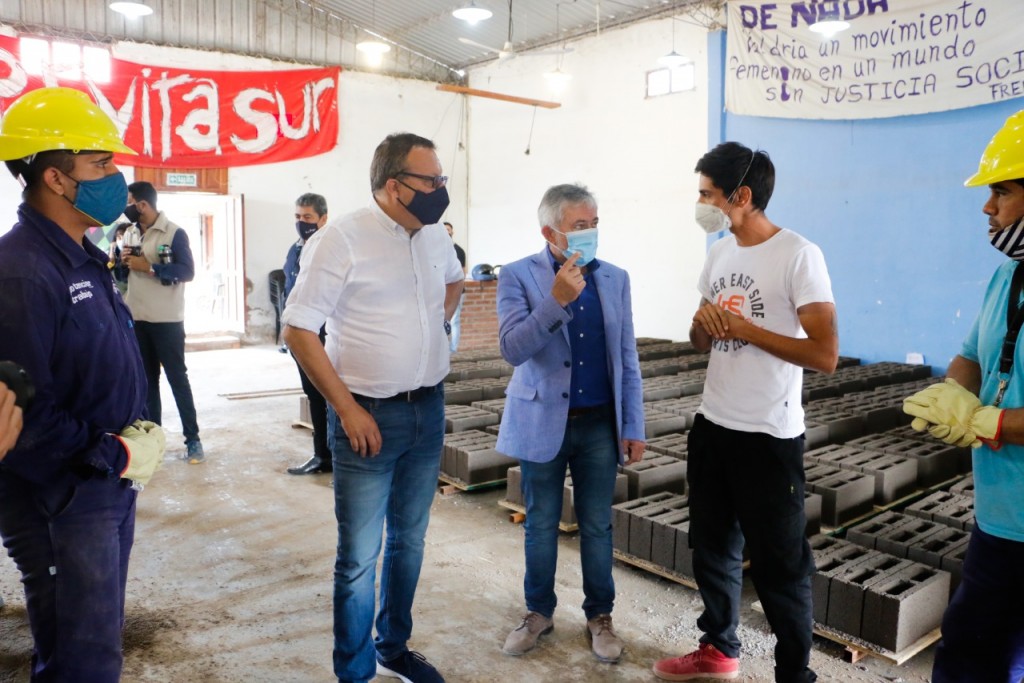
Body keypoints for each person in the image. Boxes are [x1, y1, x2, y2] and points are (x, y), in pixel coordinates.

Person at [652, 142, 838, 683]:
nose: (701, 204)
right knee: (711, 547)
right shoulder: (719, 254)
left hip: (768, 437)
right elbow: (701, 340)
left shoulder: (799, 255)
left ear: (742, 196)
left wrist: (744, 328)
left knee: (781, 565)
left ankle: (793, 673)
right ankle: (718, 647)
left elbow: (825, 354)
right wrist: (702, 325)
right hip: (714, 424)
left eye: (708, 194)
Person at [282, 132, 464, 683]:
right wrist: (347, 409)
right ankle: (355, 670)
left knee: (410, 541)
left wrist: (431, 329)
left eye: (442, 179)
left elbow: (454, 283)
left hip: (427, 410)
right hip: (368, 417)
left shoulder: (434, 237)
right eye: (431, 180)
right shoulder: (340, 240)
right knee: (359, 557)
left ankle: (393, 647)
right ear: (394, 186)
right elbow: (299, 329)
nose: (440, 189)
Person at [0, 87, 165, 682]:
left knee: (94, 644)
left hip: (101, 482)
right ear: (56, 177)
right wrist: (114, 452)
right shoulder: (22, 272)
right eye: (101, 164)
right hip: (61, 493)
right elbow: (22, 416)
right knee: (82, 661)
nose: (117, 179)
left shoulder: (82, 254)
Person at [496, 183, 645, 663]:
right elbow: (513, 348)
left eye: (594, 224)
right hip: (541, 418)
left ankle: (600, 616)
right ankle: (538, 612)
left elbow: (627, 357)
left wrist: (634, 424)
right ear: (550, 232)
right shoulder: (518, 276)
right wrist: (555, 300)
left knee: (597, 525)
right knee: (540, 523)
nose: (590, 233)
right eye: (580, 226)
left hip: (599, 424)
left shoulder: (615, 278)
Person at [902, 110, 1024, 683]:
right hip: (998, 520)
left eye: (1002, 192)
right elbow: (973, 354)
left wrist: (991, 423)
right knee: (970, 658)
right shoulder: (1007, 277)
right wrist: (953, 395)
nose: (987, 207)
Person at [123, 180, 205, 464]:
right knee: (147, 383)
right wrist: (122, 262)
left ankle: (193, 440)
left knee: (177, 379)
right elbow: (124, 276)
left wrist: (150, 267)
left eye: (129, 203)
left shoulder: (174, 233)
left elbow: (187, 271)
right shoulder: (131, 232)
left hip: (167, 320)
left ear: (142, 204)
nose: (126, 208)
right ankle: (154, 441)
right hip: (138, 319)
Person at [284, 192, 332, 475]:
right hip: (301, 336)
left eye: (308, 217)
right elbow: (290, 291)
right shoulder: (295, 249)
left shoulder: (331, 249)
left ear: (323, 219)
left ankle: (338, 457)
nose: (302, 222)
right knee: (313, 393)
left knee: (332, 394)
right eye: (298, 217)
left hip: (324, 334)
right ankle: (322, 455)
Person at [443, 221, 466, 352]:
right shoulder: (435, 248)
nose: (446, 231)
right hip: (440, 291)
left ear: (452, 231)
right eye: (444, 229)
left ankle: (453, 350)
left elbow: (461, 272)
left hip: (455, 292)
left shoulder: (459, 251)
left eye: (448, 229)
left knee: (454, 320)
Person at [108, 221, 131, 294]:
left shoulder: (132, 252)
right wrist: (111, 250)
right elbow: (109, 266)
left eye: (123, 236)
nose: (120, 239)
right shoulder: (116, 251)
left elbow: (123, 278)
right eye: (118, 237)